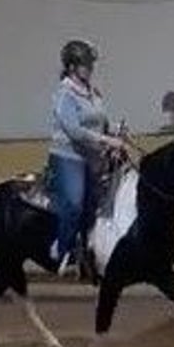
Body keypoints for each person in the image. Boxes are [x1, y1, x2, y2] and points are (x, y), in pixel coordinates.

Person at [47, 40, 125, 274]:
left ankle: (89, 248)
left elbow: (99, 121)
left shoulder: (93, 92)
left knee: (100, 202)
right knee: (74, 203)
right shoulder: (64, 94)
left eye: (90, 64)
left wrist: (115, 129)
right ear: (72, 67)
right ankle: (61, 250)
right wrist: (106, 141)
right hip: (68, 157)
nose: (90, 68)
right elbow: (74, 130)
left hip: (93, 158)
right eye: (85, 64)